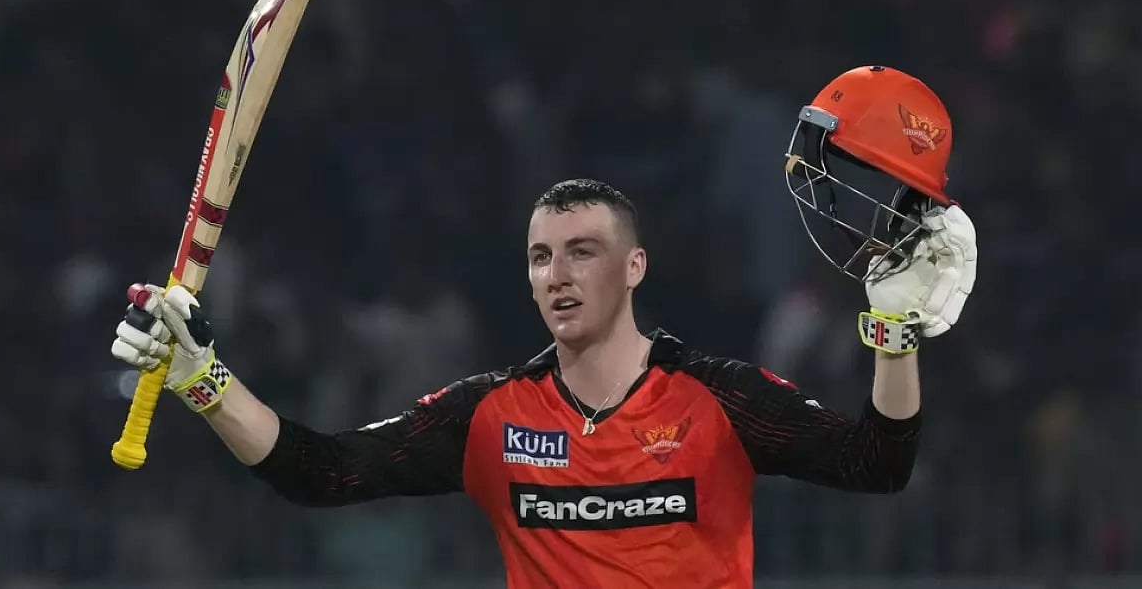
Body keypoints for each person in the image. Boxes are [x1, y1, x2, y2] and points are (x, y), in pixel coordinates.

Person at [110, 66, 977, 589]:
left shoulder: (722, 401)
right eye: (539, 257)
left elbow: (878, 462)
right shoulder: (490, 416)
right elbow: (321, 471)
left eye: (582, 252)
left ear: (633, 267)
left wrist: (893, 335)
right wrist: (200, 377)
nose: (557, 275)